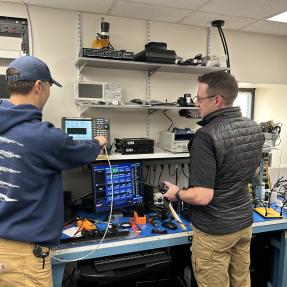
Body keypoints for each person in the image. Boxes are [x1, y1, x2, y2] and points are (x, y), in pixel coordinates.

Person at [0, 56, 106, 287]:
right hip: (24, 258)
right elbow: (81, 153)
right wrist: (98, 142)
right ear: (39, 86)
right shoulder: (42, 136)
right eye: (48, 87)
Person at [163, 71, 264, 287]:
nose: (197, 104)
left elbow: (201, 196)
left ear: (216, 100)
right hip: (243, 224)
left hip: (215, 231)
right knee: (241, 280)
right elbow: (253, 172)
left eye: (199, 99)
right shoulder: (254, 128)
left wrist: (177, 193)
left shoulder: (205, 136)